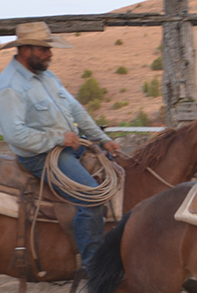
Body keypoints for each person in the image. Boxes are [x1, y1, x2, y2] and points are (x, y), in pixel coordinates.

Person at [0, 22, 122, 277]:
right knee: (91, 197)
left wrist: (101, 139)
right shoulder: (11, 86)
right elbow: (15, 135)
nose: (50, 54)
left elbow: (75, 108)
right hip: (41, 156)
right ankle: (94, 265)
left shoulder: (46, 76)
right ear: (25, 50)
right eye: (44, 49)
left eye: (49, 48)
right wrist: (59, 138)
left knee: (118, 174)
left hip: (69, 145)